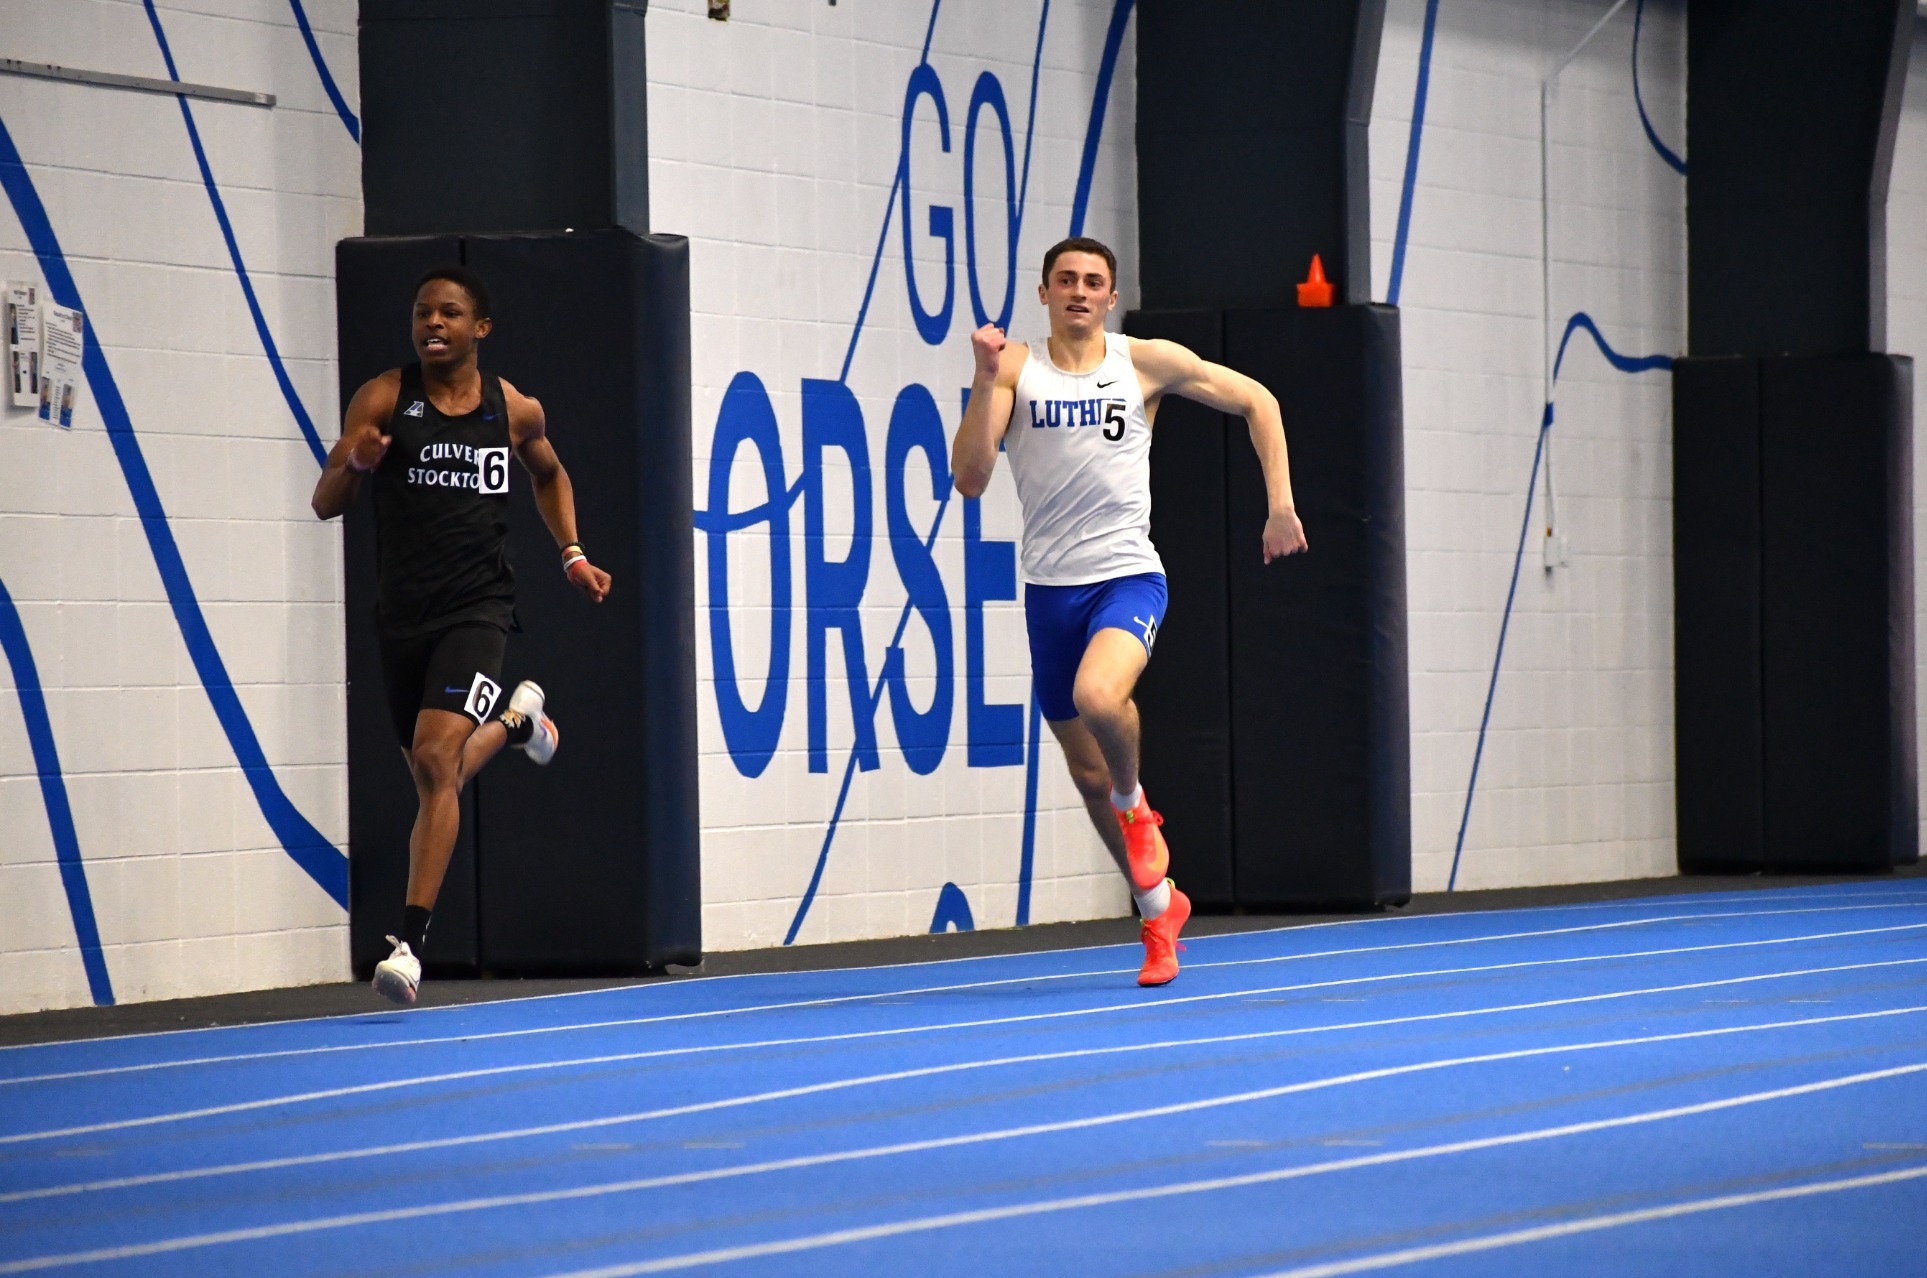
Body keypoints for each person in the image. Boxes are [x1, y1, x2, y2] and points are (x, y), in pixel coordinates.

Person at [952, 236, 1306, 986]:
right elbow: (971, 478)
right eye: (1065, 280)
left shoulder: (1141, 362)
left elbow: (1258, 400)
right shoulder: (1014, 369)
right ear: (1043, 293)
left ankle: (1135, 802)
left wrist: (1279, 504)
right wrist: (984, 380)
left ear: (1110, 297)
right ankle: (1157, 912)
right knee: (1082, 774)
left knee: (1097, 697)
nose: (1079, 291)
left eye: (1093, 281)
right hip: (1050, 589)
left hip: (1126, 575)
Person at [311, 266, 611, 1004]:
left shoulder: (512, 409)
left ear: (480, 328)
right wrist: (356, 463)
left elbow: (549, 473)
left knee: (438, 757)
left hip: (478, 610)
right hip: (402, 617)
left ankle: (410, 945)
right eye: (421, 313)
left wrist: (570, 551)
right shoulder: (385, 397)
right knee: (427, 767)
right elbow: (325, 501)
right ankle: (516, 723)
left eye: (448, 313)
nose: (431, 324)